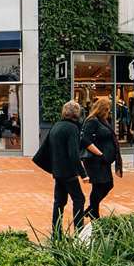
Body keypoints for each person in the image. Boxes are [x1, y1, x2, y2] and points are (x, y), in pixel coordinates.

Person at [34, 100, 87, 236]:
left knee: (59, 202)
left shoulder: (56, 126)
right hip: (68, 172)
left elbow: (48, 148)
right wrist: (83, 174)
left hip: (58, 171)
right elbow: (74, 154)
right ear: (76, 113)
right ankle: (79, 232)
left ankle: (56, 234)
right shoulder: (72, 128)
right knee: (79, 199)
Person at [80, 96, 123, 221]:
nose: (108, 112)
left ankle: (92, 211)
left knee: (103, 186)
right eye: (107, 109)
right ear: (101, 109)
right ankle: (93, 211)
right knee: (103, 185)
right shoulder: (92, 121)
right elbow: (85, 140)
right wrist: (100, 154)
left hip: (102, 162)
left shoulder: (103, 121)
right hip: (95, 161)